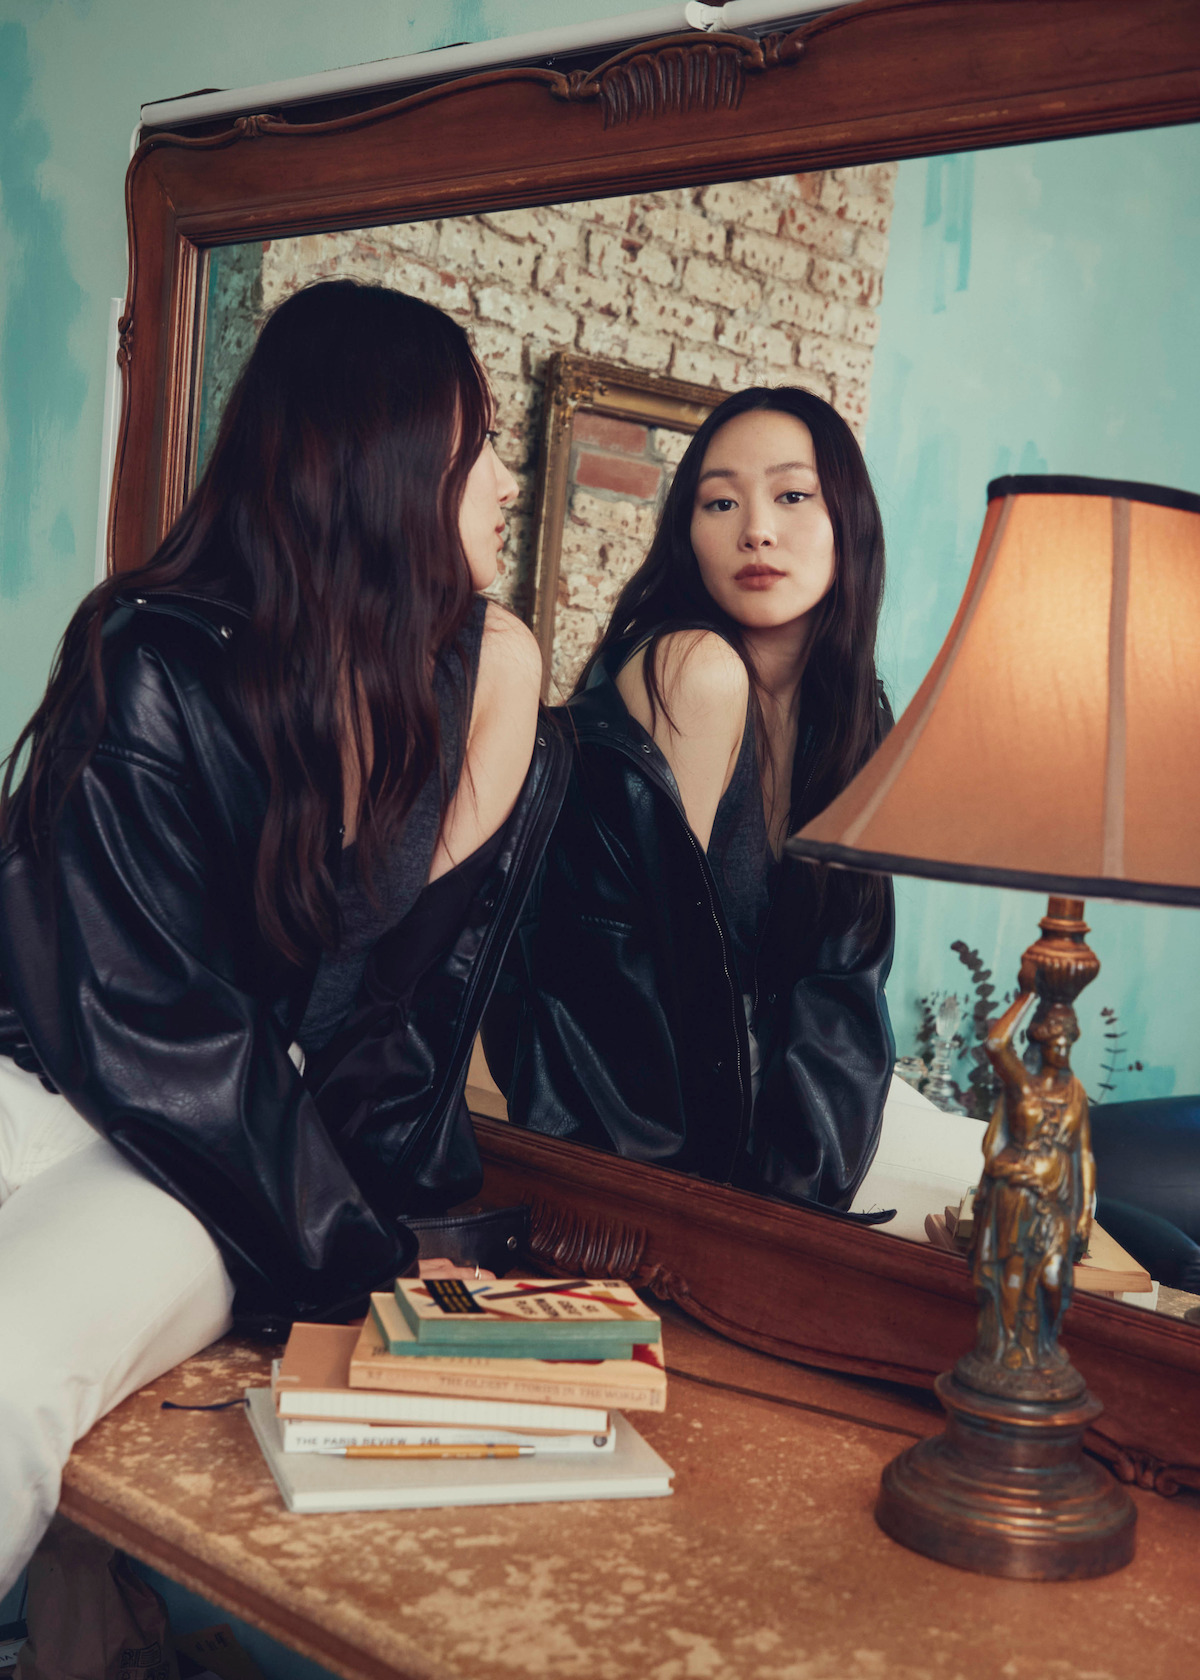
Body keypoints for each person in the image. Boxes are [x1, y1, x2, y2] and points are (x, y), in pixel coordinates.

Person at [0, 279, 566, 1593]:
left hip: (204, 1164)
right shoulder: (145, 659)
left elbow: (398, 1011)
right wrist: (351, 1245)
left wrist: (374, 1248)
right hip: (77, 1091)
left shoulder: (477, 680)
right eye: (475, 442)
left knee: (10, 1366)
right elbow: (138, 1026)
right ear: (380, 463)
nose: (503, 480)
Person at [483, 386, 895, 1208]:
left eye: (791, 494)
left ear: (848, 520)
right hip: (618, 1153)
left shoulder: (853, 723)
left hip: (711, 1163)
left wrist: (797, 1209)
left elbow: (843, 988)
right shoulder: (692, 672)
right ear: (689, 537)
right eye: (719, 501)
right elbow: (648, 1002)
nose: (756, 530)